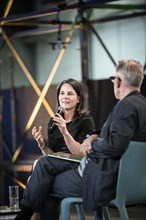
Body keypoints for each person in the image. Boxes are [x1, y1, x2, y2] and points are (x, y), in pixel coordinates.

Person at [14, 59, 146, 220]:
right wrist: (96, 136)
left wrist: (91, 145)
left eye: (70, 93)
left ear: (117, 81)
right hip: (133, 181)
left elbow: (116, 144)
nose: (65, 97)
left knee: (43, 182)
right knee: (43, 171)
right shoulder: (141, 104)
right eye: (62, 93)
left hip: (106, 179)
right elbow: (119, 138)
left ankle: (22, 217)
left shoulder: (125, 106)